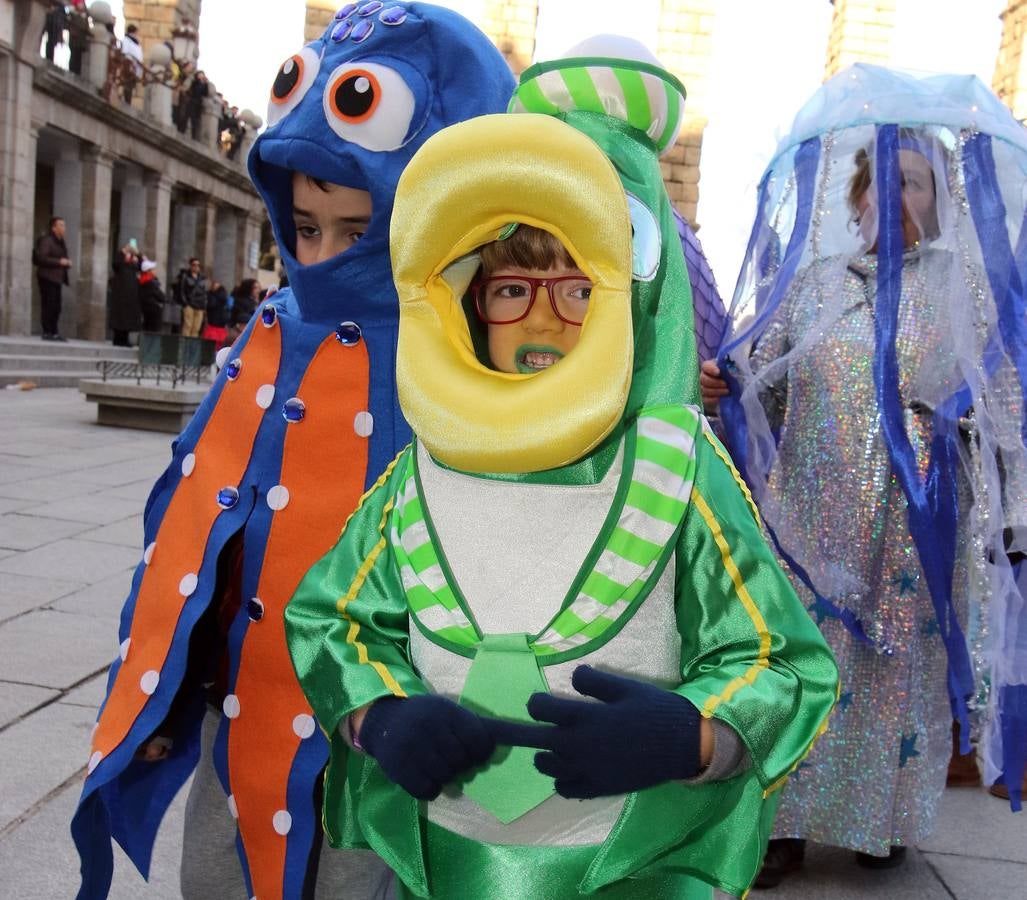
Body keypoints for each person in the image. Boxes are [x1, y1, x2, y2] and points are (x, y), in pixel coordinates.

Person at [285, 69, 837, 900]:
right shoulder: (422, 468)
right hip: (449, 866)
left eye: (579, 289)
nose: (544, 319)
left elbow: (781, 661)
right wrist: (378, 712)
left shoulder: (678, 470)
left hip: (629, 870)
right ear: (469, 303)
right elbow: (331, 616)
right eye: (512, 289)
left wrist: (691, 737)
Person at [71, 6, 516, 900]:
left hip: (382, 735)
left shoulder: (462, 364)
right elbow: (198, 521)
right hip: (238, 705)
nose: (320, 255)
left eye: (356, 230)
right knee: (215, 878)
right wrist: (166, 685)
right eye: (305, 226)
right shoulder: (269, 331)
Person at [701, 65, 1027, 886]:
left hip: (917, 527)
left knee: (893, 675)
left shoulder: (961, 292)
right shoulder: (810, 287)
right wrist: (724, 385)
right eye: (882, 179)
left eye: (913, 180)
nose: (896, 194)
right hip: (813, 515)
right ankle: (778, 826)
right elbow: (763, 379)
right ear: (856, 197)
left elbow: (1003, 401)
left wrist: (977, 456)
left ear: (937, 202)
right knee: (802, 661)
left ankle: (878, 820)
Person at [33, 215, 71, 341]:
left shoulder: (61, 242)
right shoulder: (47, 240)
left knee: (57, 306)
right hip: (47, 277)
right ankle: (47, 331)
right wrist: (59, 262)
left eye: (64, 225)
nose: (64, 228)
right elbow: (41, 258)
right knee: (49, 305)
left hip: (57, 278)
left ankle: (54, 332)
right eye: (61, 225)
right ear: (54, 228)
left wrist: (66, 263)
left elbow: (62, 258)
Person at [109, 241, 141, 347]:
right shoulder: (120, 257)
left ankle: (125, 339)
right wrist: (123, 251)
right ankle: (117, 339)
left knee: (128, 317)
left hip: (131, 292)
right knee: (119, 316)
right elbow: (115, 265)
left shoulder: (135, 259)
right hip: (120, 291)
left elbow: (142, 266)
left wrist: (138, 254)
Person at [176, 257, 207, 337]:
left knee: (196, 328)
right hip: (189, 304)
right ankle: (185, 343)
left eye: (198, 265)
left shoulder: (202, 277)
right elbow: (181, 290)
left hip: (200, 305)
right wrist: (185, 303)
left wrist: (204, 305)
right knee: (188, 326)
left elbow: (204, 292)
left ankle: (193, 344)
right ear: (190, 266)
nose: (196, 267)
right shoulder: (185, 276)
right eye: (194, 265)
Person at [227, 277, 260, 343]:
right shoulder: (244, 301)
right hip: (241, 334)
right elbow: (241, 317)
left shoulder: (252, 301)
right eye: (255, 288)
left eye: (258, 288)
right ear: (248, 288)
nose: (258, 290)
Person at [137, 257, 165, 333]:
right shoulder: (150, 282)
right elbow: (159, 295)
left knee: (147, 328)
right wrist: (165, 300)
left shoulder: (142, 280)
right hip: (153, 309)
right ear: (148, 271)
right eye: (153, 269)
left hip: (146, 308)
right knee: (154, 330)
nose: (155, 271)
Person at [201, 279, 230, 349]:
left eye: (216, 283)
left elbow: (211, 305)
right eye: (213, 283)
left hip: (219, 323)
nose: (214, 285)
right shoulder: (210, 294)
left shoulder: (221, 294)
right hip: (213, 322)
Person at [120, 24, 143, 104]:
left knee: (131, 85)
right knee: (127, 83)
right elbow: (125, 52)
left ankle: (128, 101)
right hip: (129, 65)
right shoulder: (126, 40)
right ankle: (126, 101)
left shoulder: (136, 42)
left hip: (135, 67)